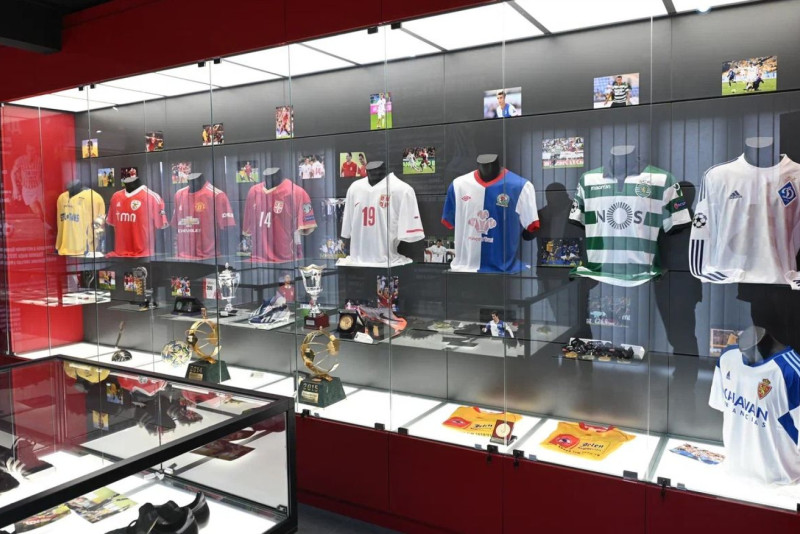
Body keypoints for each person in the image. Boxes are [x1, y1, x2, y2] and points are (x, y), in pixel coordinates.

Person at [11, 144, 45, 221]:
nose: (30, 153)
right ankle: (42, 222)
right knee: (37, 212)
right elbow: (13, 173)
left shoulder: (40, 160)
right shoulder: (20, 160)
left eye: (32, 150)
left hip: (38, 187)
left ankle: (47, 224)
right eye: (28, 150)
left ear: (35, 151)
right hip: (27, 189)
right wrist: (15, 189)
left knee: (45, 210)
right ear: (26, 151)